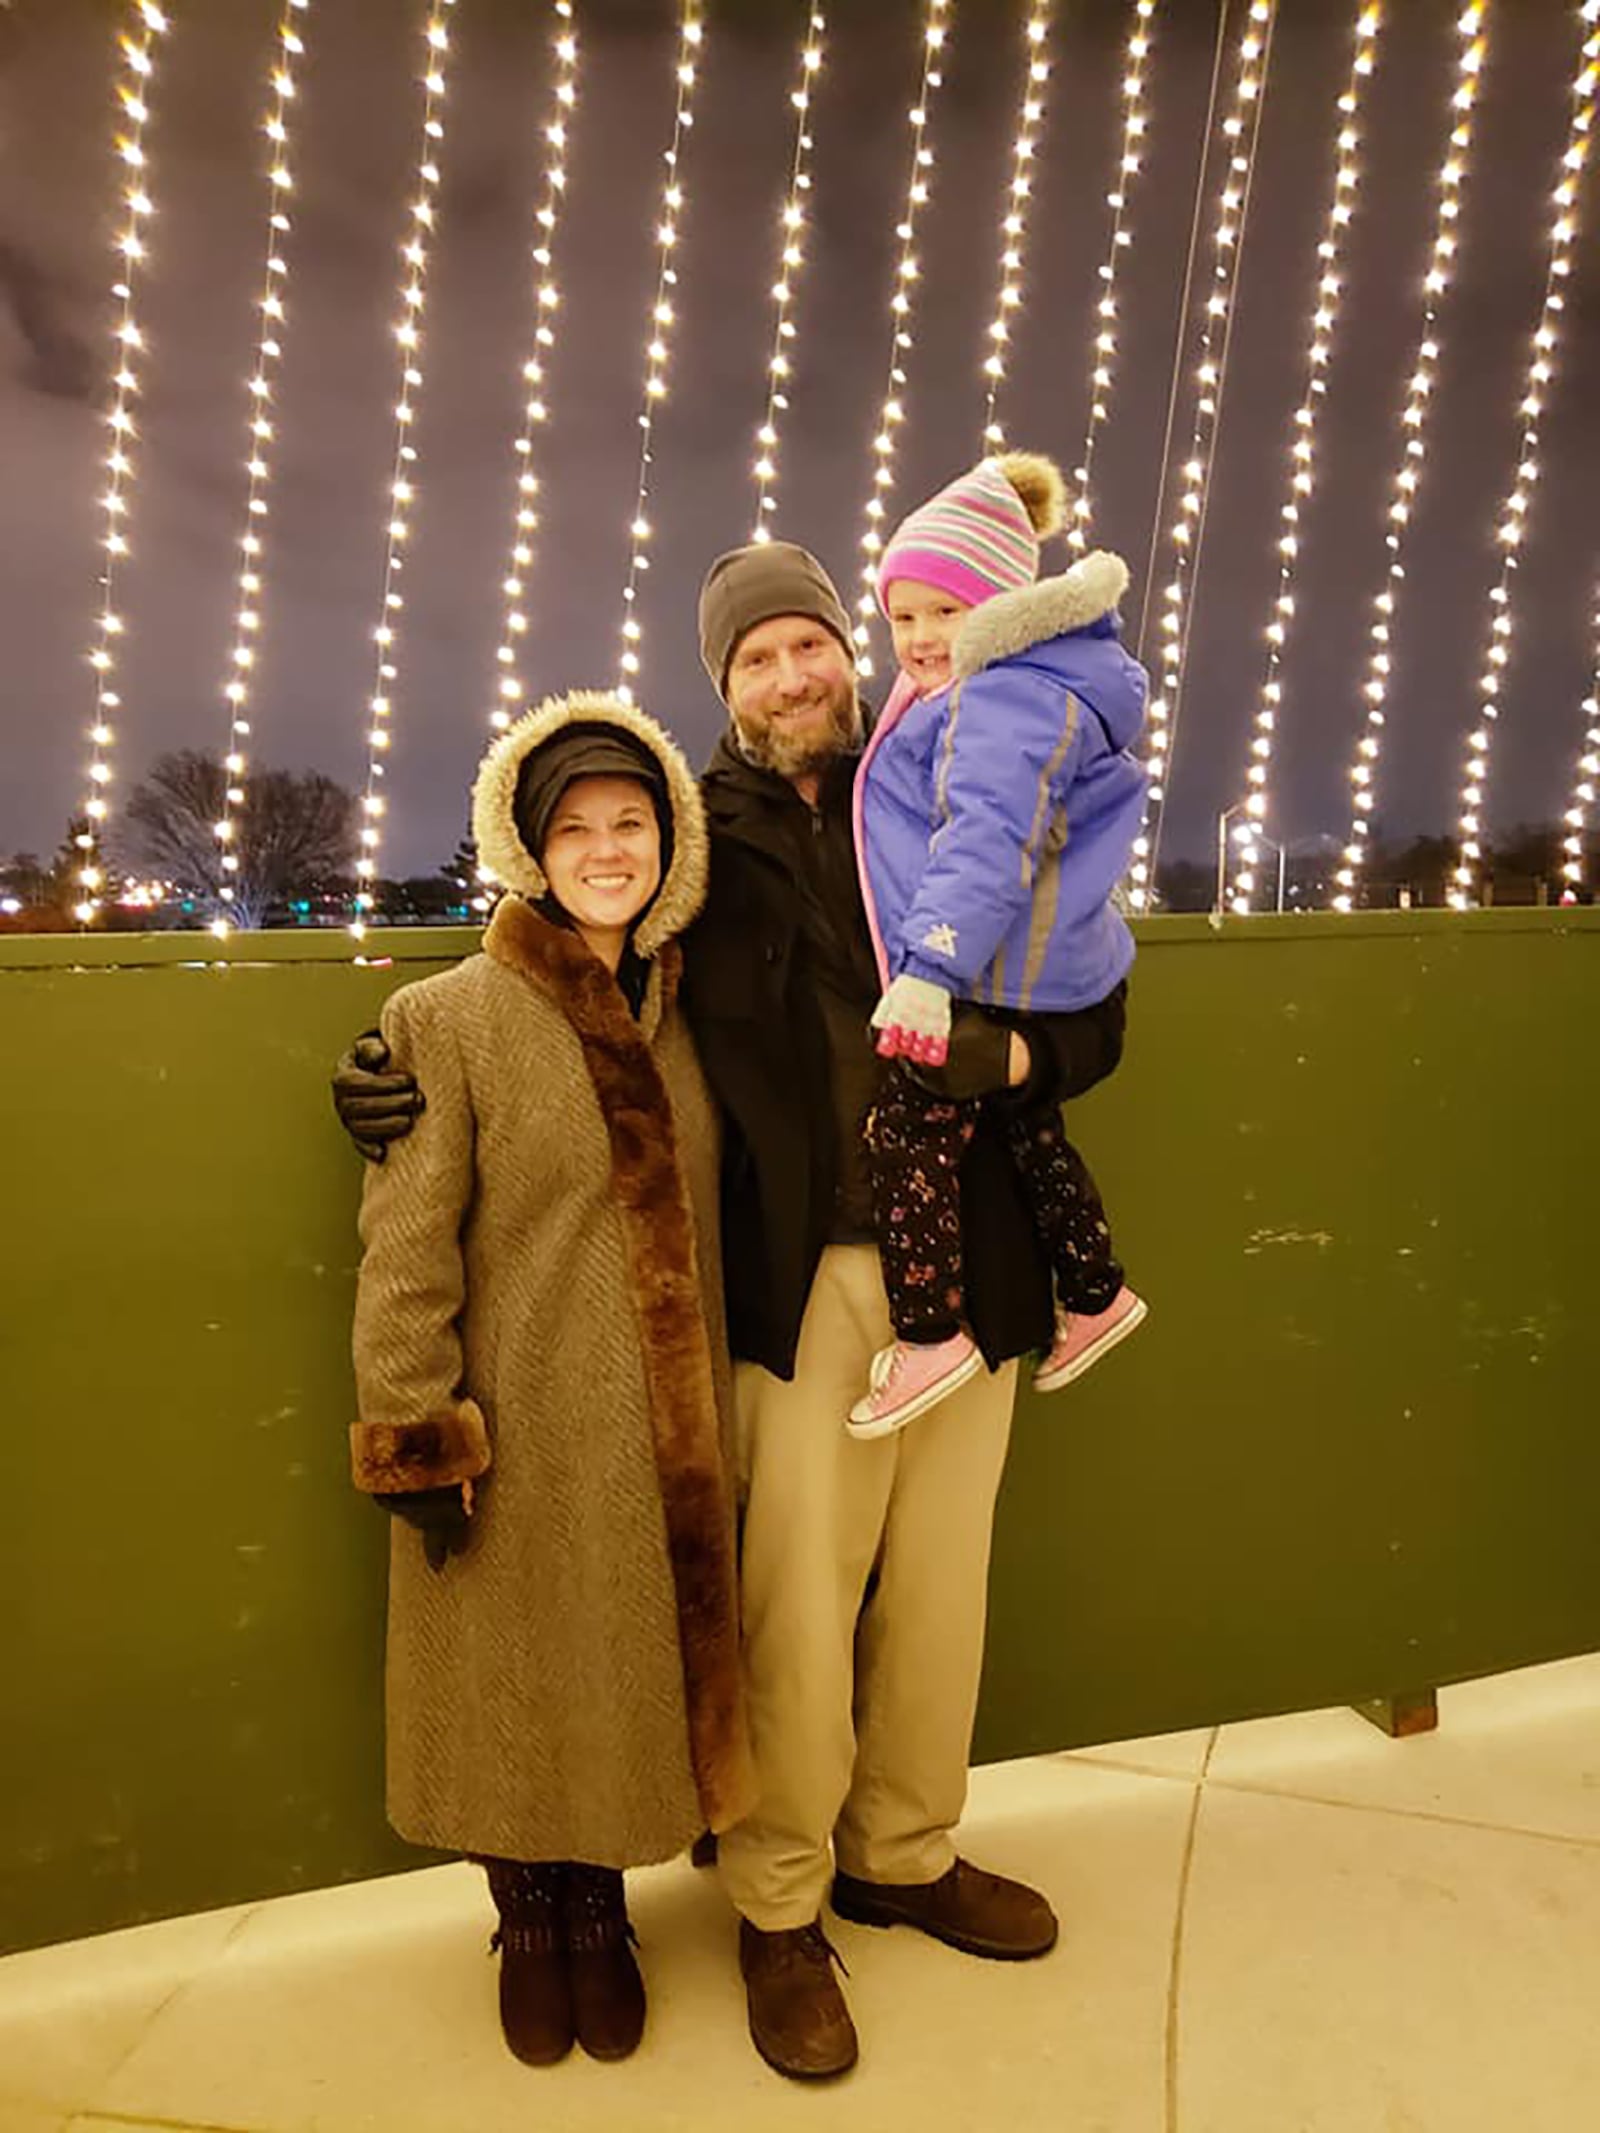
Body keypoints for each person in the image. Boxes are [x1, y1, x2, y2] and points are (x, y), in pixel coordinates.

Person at [336, 542, 1119, 2083]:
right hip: (807, 1277)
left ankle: (904, 1848)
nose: (788, 676)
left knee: (943, 1599)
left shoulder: (976, 780)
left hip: (986, 1263)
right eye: (752, 658)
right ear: (726, 690)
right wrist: (393, 1066)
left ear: (853, 654)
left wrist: (1020, 1066)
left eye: (808, 646)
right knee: (796, 1614)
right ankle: (779, 1904)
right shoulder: (711, 846)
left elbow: (1089, 995)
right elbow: (579, 978)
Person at [347, 688, 754, 2072]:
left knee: (619, 1682)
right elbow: (404, 1255)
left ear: (668, 844)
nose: (604, 848)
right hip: (517, 1420)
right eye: (573, 826)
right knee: (510, 1684)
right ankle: (528, 1907)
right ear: (529, 846)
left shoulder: (696, 1013)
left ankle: (604, 1907)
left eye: (630, 822)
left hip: (657, 1439)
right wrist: (418, 1435)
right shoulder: (444, 1017)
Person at [847, 449, 1149, 1438]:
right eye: (904, 615)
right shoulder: (1015, 683)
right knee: (1027, 1131)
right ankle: (1096, 1290)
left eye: (948, 609)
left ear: (1004, 604)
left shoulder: (1000, 698)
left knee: (906, 1134)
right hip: (1033, 968)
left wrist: (928, 971)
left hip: (985, 967)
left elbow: (985, 841)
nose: (924, 636)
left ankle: (930, 1332)